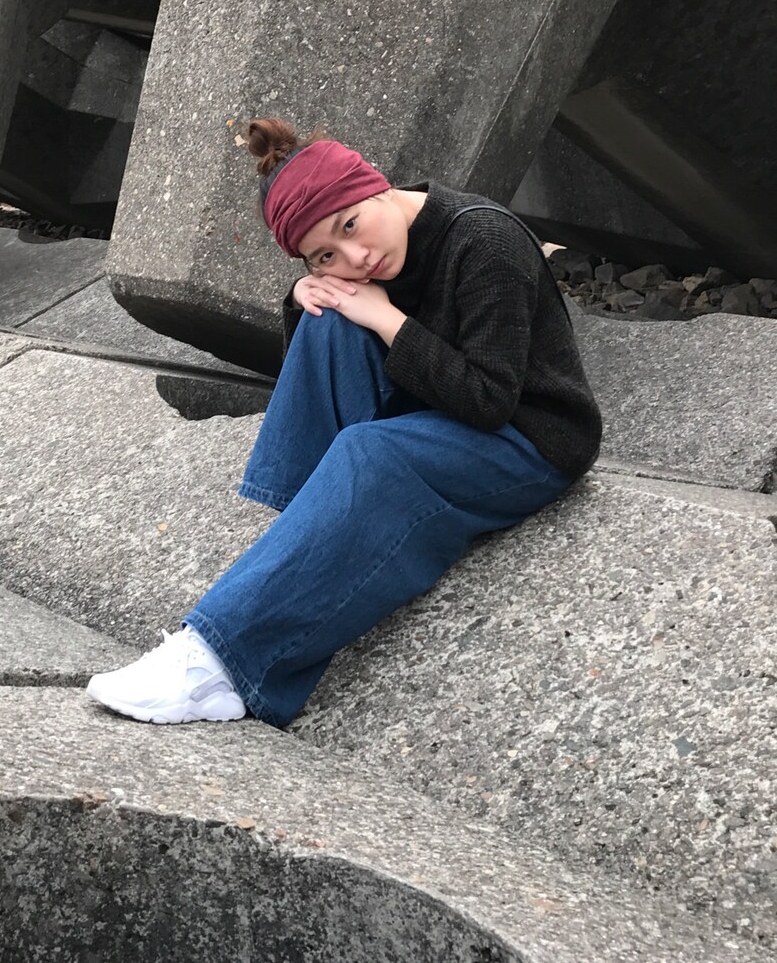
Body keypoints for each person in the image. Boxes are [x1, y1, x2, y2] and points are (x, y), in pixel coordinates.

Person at [87, 118, 602, 727]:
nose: (358, 257)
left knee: (370, 451)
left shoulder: (486, 241)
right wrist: (308, 293)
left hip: (528, 436)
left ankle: (217, 669)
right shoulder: (373, 249)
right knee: (328, 315)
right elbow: (337, 342)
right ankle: (313, 532)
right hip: (441, 408)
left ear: (377, 185)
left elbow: (490, 400)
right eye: (325, 255)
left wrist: (386, 319)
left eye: (350, 225)